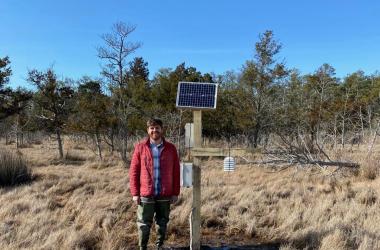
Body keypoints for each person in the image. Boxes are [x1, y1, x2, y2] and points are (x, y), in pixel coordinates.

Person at [129, 118, 181, 250]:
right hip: (146, 193)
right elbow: (134, 171)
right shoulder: (140, 147)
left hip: (165, 192)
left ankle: (159, 246)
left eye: (157, 127)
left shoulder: (171, 148)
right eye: (152, 128)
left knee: (162, 222)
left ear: (162, 130)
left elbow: (176, 171)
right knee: (143, 224)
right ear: (148, 130)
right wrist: (135, 193)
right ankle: (143, 247)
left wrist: (175, 192)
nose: (154, 130)